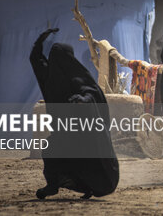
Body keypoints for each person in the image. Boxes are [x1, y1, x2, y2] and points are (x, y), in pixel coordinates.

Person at [29, 28, 119, 199]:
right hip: (63, 132)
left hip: (83, 133)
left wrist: (81, 100)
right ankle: (53, 185)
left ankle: (90, 187)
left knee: (86, 160)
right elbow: (36, 60)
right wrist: (39, 42)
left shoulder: (75, 76)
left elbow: (92, 93)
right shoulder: (50, 78)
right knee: (52, 151)